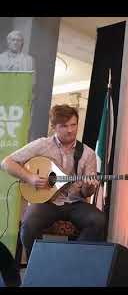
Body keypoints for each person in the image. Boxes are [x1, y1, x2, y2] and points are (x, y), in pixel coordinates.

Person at [0, 104, 105, 260]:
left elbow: (85, 193)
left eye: (73, 125)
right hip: (46, 203)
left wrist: (89, 187)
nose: (70, 130)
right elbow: (7, 163)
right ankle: (39, 266)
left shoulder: (87, 154)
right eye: (64, 126)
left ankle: (74, 263)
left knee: (98, 220)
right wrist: (30, 178)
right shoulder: (42, 145)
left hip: (75, 203)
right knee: (29, 225)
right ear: (54, 127)